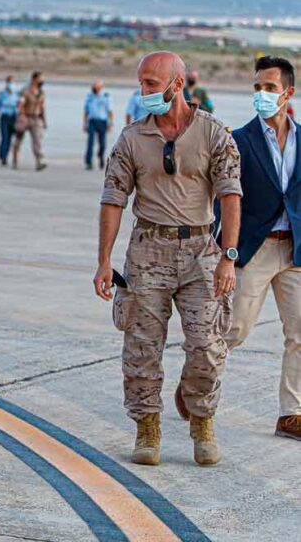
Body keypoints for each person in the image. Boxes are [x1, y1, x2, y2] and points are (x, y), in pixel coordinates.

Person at [94, 51, 241, 467]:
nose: (143, 92)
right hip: (147, 251)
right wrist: (104, 261)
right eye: (140, 83)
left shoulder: (214, 134)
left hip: (201, 253)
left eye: (151, 84)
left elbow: (231, 196)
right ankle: (147, 427)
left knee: (207, 346)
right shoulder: (131, 139)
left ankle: (201, 419)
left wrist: (229, 256)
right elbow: (112, 200)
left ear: (177, 86)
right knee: (141, 347)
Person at [212, 56, 301, 441]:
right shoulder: (240, 140)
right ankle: (197, 386)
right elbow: (224, 200)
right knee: (235, 330)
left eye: (269, 87)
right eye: (257, 88)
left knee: (300, 334)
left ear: (288, 92)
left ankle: (290, 413)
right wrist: (226, 252)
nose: (262, 95)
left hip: (295, 252)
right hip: (255, 248)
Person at [13, 71, 47, 171]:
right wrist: (21, 116)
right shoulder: (25, 91)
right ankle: (15, 159)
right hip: (25, 118)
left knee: (37, 141)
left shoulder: (41, 92)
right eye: (41, 79)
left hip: (36, 118)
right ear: (34, 79)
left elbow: (42, 106)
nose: (42, 81)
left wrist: (44, 119)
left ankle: (39, 161)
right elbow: (20, 105)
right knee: (18, 140)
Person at [83, 80, 114, 170]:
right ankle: (89, 162)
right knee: (90, 142)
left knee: (102, 143)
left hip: (102, 121)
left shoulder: (106, 96)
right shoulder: (89, 97)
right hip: (92, 121)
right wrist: (84, 123)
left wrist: (110, 123)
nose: (93, 88)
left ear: (100, 87)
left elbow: (110, 111)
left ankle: (100, 157)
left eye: (95, 87)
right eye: (93, 86)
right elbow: (86, 111)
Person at [0, 75, 20, 166]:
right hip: (4, 117)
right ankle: (3, 156)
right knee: (5, 137)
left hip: (14, 117)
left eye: (13, 82)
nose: (11, 84)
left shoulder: (17, 94)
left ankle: (12, 156)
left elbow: (21, 106)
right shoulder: (2, 94)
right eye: (10, 82)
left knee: (12, 138)